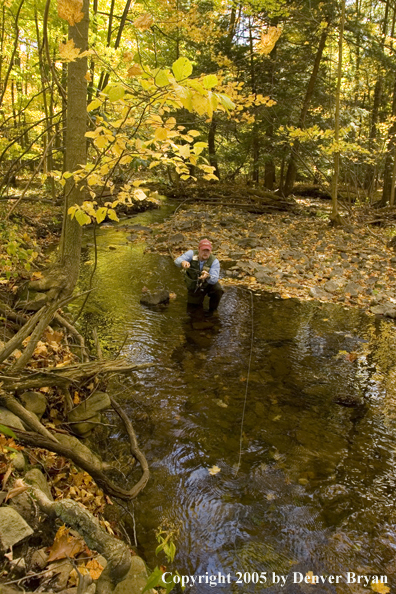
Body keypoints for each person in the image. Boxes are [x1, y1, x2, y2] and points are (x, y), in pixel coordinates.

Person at [174, 239, 224, 312]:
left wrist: (208, 276)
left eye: (208, 251)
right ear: (198, 249)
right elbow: (177, 261)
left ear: (210, 251)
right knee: (192, 311)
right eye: (203, 250)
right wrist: (183, 262)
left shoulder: (214, 261)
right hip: (194, 287)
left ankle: (213, 311)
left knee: (218, 289)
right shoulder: (191, 254)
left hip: (208, 285)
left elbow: (214, 279)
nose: (205, 253)